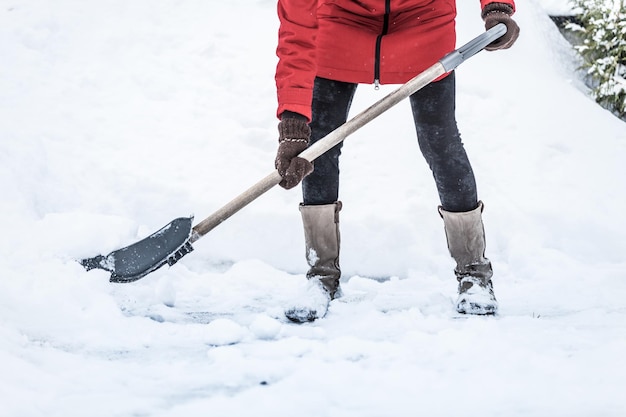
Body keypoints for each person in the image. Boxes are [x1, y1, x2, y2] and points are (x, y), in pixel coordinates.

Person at [273, 0, 519, 322]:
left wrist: (497, 7)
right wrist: (293, 122)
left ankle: (474, 274)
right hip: (339, 32)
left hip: (425, 25)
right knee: (319, 147)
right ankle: (321, 275)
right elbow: (297, 32)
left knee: (440, 143)